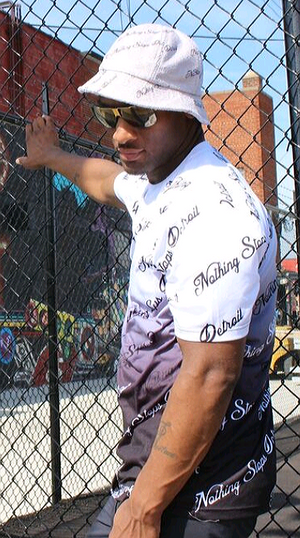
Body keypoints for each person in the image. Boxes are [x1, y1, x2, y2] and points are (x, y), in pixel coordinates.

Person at [16, 23, 278, 538]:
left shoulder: (215, 213)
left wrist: (144, 508)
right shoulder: (160, 185)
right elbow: (106, 182)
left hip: (208, 484)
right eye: (110, 114)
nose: (119, 132)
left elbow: (209, 376)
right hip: (156, 467)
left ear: (185, 113)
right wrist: (51, 157)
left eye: (140, 113)